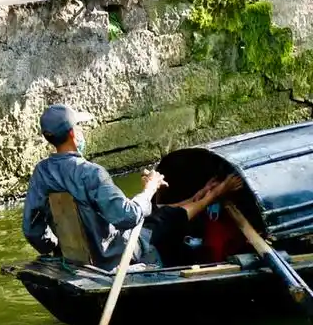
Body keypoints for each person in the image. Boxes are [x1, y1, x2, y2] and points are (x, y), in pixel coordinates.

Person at [22, 104, 242, 270]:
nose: (81, 132)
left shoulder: (41, 173)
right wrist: (150, 189)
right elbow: (128, 217)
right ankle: (213, 196)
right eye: (78, 127)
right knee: (166, 220)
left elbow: (32, 230)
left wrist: (57, 249)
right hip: (114, 255)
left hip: (78, 257)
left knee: (160, 213)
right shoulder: (91, 173)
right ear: (72, 133)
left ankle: (201, 195)